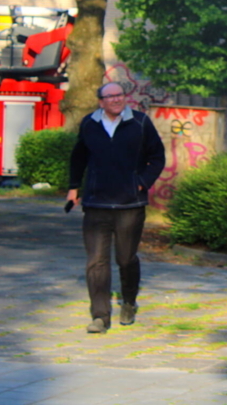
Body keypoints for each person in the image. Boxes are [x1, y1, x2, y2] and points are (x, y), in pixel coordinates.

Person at [66, 82, 165, 334]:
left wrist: (142, 183)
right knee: (96, 261)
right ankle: (100, 316)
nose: (115, 100)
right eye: (109, 96)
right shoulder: (90, 123)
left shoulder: (140, 123)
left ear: (124, 97)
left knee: (125, 258)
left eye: (119, 95)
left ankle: (129, 301)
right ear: (101, 101)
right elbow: (79, 156)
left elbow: (157, 157)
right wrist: (74, 187)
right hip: (96, 203)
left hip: (129, 204)